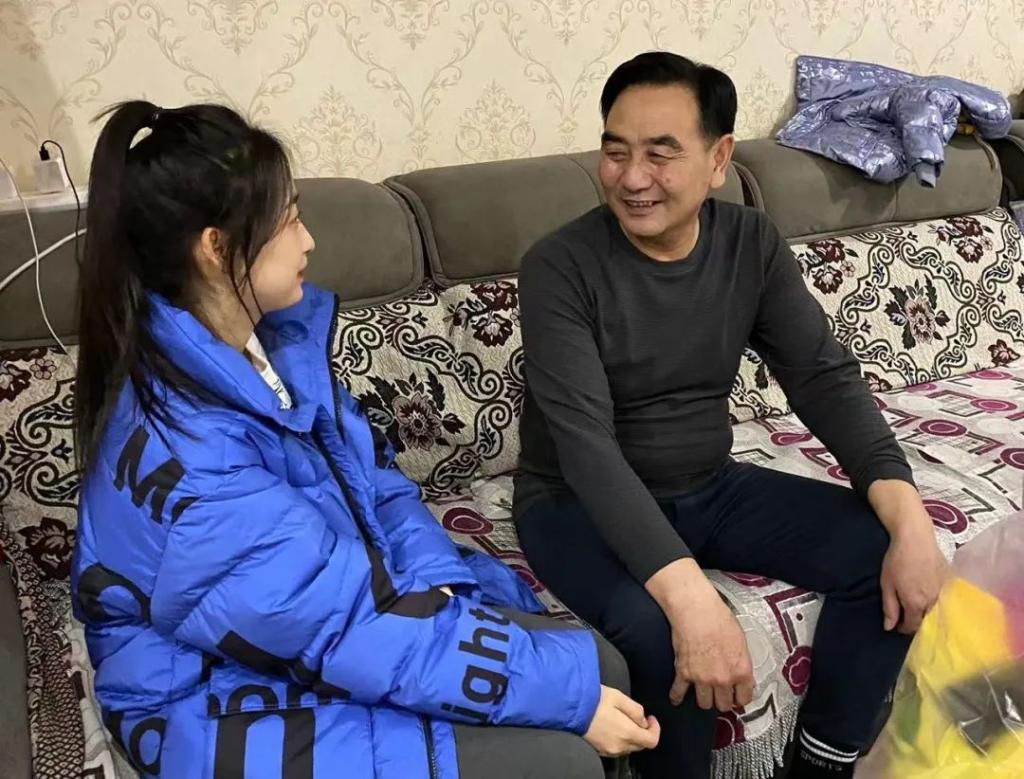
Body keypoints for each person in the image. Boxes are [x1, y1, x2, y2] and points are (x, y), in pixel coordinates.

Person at [69, 101, 660, 779]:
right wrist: (565, 700)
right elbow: (338, 625)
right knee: (562, 755)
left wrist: (441, 587)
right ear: (217, 249)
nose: (309, 241)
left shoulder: (274, 349)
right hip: (218, 698)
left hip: (332, 627)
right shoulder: (190, 452)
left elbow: (379, 490)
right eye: (289, 219)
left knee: (603, 667)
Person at [513, 52, 948, 779]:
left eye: (660, 154)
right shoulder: (559, 266)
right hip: (574, 506)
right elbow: (585, 447)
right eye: (615, 152)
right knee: (660, 634)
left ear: (718, 160)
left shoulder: (750, 243)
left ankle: (820, 764)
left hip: (708, 485)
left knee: (881, 554)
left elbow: (823, 378)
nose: (632, 177)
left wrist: (909, 519)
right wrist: (692, 600)